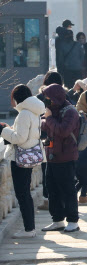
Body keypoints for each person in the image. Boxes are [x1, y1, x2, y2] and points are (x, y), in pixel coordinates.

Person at [1, 85, 44, 238]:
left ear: (17, 98)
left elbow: (20, 138)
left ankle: (29, 229)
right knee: (25, 193)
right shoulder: (33, 112)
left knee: (22, 193)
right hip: (29, 156)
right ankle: (29, 228)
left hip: (20, 157)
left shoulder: (25, 113)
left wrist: (3, 130)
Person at [40, 84, 81, 233]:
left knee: (68, 189)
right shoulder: (53, 110)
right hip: (52, 155)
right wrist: (48, 120)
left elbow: (63, 131)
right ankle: (57, 220)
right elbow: (44, 125)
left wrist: (49, 119)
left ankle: (73, 221)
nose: (47, 101)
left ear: (56, 97)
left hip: (66, 156)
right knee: (52, 189)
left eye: (49, 98)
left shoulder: (70, 111)